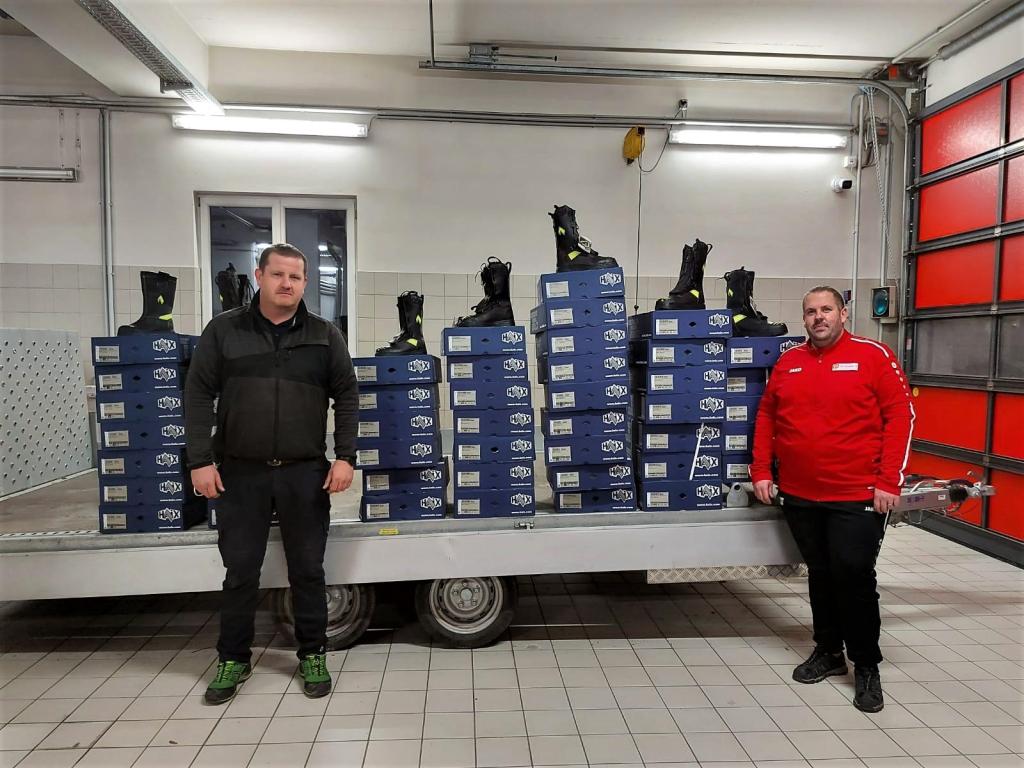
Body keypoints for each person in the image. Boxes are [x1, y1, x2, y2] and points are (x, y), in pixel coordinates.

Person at [185, 243, 358, 705]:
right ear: (259, 276)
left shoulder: (324, 335)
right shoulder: (224, 331)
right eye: (278, 274)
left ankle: (313, 653)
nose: (287, 284)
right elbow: (197, 394)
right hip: (241, 473)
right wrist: (200, 460)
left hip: (305, 473)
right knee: (240, 571)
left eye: (296, 277)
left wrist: (346, 457)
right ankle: (233, 659)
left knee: (308, 570)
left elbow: (347, 394)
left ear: (305, 283)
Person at [750, 286, 913, 713]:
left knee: (854, 577)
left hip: (856, 494)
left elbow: (901, 416)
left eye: (826, 309)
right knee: (820, 575)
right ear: (803, 318)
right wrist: (761, 470)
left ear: (843, 314)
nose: (818, 317)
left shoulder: (873, 355)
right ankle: (827, 650)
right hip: (800, 493)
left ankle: (866, 665)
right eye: (810, 311)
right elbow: (767, 416)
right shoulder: (789, 362)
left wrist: (889, 481)